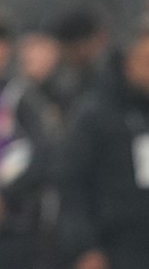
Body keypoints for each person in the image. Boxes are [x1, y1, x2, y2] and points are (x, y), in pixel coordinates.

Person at [56, 28, 149, 269]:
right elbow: (72, 183)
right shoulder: (95, 113)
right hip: (114, 246)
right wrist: (85, 247)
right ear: (129, 61)